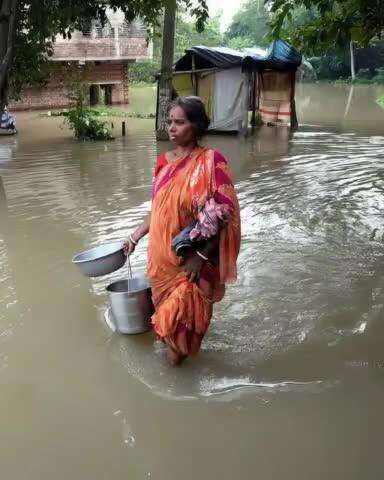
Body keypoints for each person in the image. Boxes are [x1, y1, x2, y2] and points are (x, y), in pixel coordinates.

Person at [124, 96, 241, 366]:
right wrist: (135, 235)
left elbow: (226, 214)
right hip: (161, 259)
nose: (172, 128)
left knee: (177, 349)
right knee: (169, 329)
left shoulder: (212, 162)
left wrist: (200, 258)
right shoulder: (163, 162)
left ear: (196, 126)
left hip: (192, 262)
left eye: (180, 122)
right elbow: (159, 209)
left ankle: (172, 387)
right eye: (170, 122)